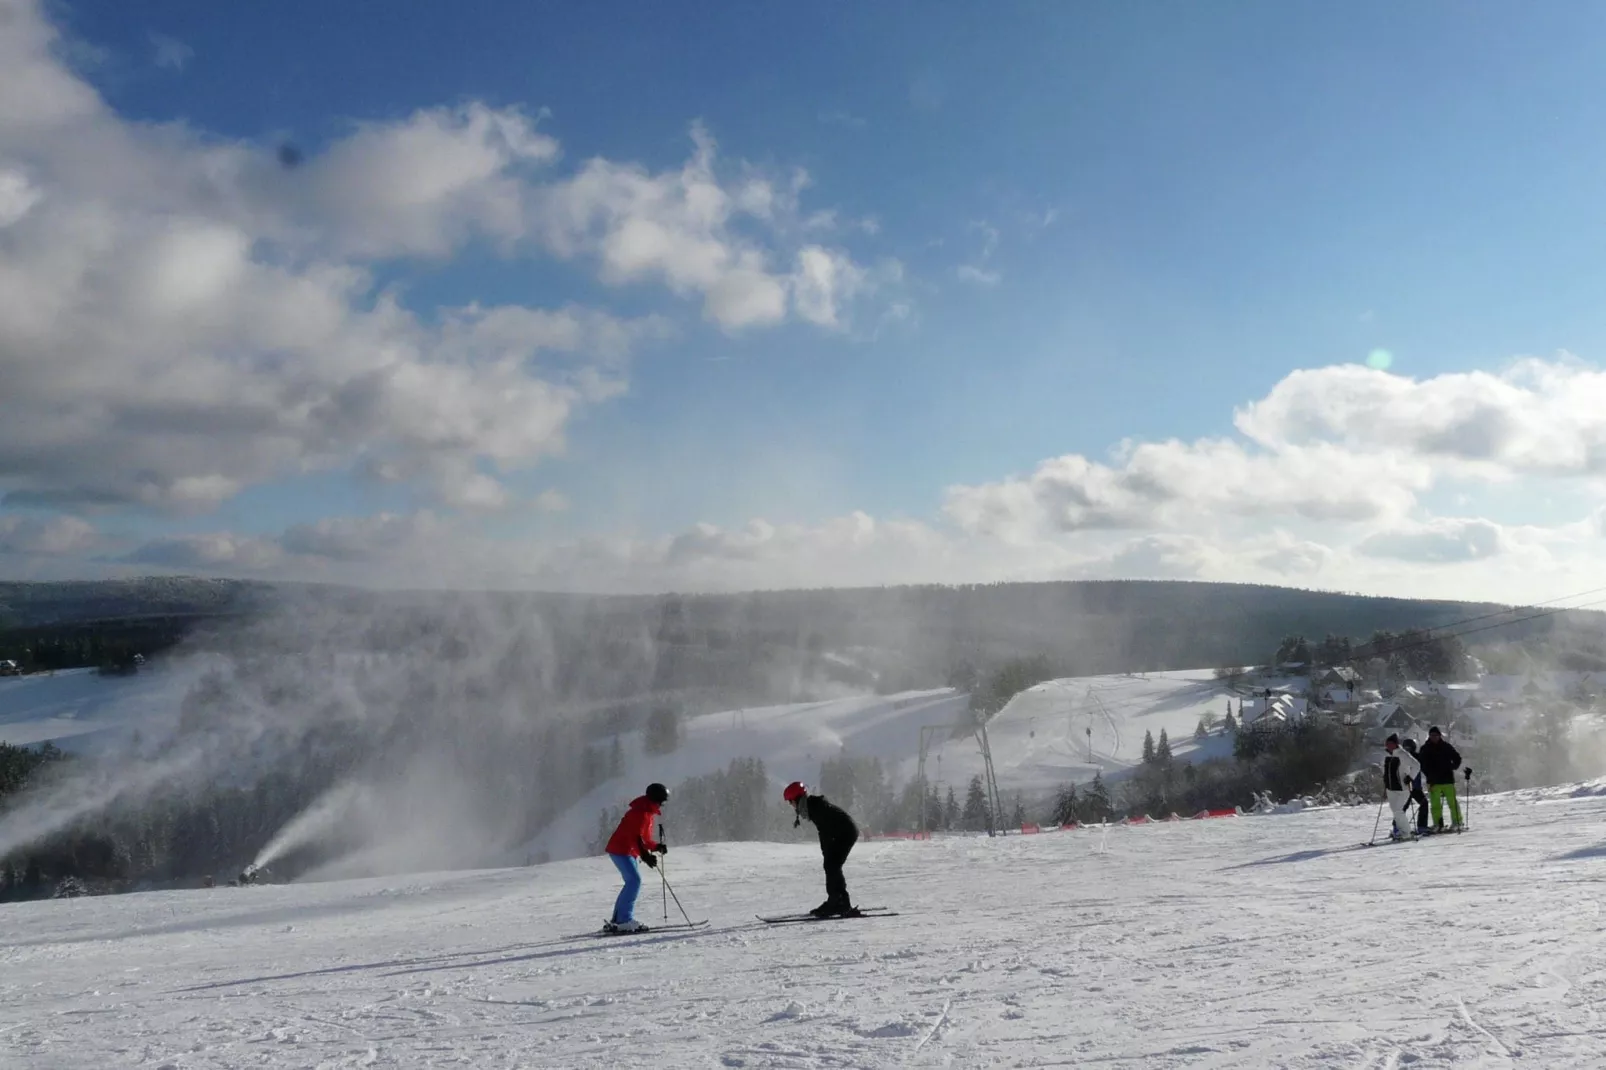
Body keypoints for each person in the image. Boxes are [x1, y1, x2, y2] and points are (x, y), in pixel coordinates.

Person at [784, 781, 860, 917]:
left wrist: (827, 851)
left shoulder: (815, 807)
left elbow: (825, 831)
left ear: (796, 799)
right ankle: (838, 901)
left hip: (845, 832)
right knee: (832, 865)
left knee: (832, 866)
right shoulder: (812, 805)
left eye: (790, 802)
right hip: (844, 832)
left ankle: (838, 902)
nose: (791, 805)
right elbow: (825, 831)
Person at [602, 782, 669, 933]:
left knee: (632, 882)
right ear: (655, 799)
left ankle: (619, 919)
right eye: (661, 802)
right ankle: (624, 920)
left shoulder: (646, 812)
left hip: (628, 851)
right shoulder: (640, 813)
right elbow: (635, 837)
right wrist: (645, 855)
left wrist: (655, 847)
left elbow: (643, 839)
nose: (661, 805)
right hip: (621, 850)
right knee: (634, 881)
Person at [1415, 726, 1464, 831]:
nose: (1434, 737)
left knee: (1452, 802)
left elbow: (1457, 758)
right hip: (1433, 781)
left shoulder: (1446, 747)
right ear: (1429, 736)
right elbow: (1421, 764)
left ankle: (1457, 822)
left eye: (1436, 735)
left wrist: (1452, 767)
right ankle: (1438, 823)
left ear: (1439, 736)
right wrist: (1428, 774)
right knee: (1435, 804)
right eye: (1432, 735)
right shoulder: (1425, 748)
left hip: (1447, 780)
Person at [1381, 734, 1420, 841]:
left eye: (1390, 743)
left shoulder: (1403, 754)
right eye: (1386, 744)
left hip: (1402, 788)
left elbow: (1417, 765)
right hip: (1390, 788)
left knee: (1398, 810)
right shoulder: (1388, 756)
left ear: (1395, 744)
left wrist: (1410, 777)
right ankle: (1402, 832)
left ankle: (1407, 833)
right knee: (1395, 811)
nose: (1387, 745)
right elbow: (1386, 773)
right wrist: (1385, 787)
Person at [1401, 738, 1431, 834]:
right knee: (1404, 807)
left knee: (1404, 807)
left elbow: (1425, 769)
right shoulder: (1407, 758)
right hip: (1408, 787)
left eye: (1408, 748)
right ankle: (1399, 828)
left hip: (1413, 787)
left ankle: (1420, 827)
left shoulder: (1404, 758)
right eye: (1406, 748)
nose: (1408, 750)